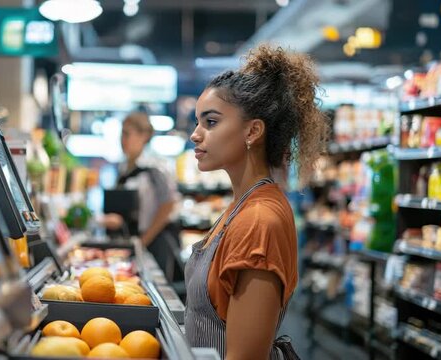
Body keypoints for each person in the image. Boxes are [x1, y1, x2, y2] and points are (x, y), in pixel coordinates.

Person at [185, 45, 328, 359]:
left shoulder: (259, 220)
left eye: (210, 122)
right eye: (197, 122)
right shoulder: (244, 205)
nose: (196, 134)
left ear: (252, 131)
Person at [103, 112, 181, 279]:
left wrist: (144, 240)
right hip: (136, 242)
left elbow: (169, 204)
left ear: (144, 136)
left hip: (156, 242)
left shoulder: (155, 168)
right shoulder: (124, 167)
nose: (122, 139)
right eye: (121, 134)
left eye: (127, 134)